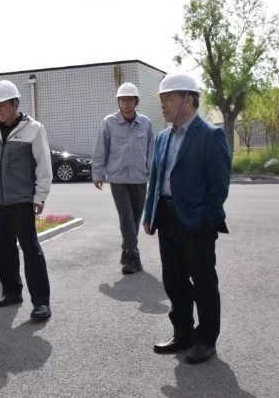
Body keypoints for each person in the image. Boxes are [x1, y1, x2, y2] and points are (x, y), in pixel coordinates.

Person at [142, 72, 231, 365]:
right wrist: (149, 213)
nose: (163, 105)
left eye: (169, 99)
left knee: (203, 281)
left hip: (196, 221)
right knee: (173, 280)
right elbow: (156, 179)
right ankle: (183, 333)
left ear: (190, 100)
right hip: (166, 217)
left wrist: (206, 219)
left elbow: (219, 185)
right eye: (162, 100)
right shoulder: (163, 137)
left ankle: (206, 340)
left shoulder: (211, 135)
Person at [0, 80, 53, 321]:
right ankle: (11, 292)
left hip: (22, 201)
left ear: (15, 104)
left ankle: (41, 302)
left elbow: (43, 166)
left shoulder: (34, 129)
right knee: (4, 249)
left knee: (30, 250)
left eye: (2, 105)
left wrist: (40, 196)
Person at [91, 82, 155, 274]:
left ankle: (127, 251)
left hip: (140, 179)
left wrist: (153, 174)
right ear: (118, 102)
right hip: (118, 179)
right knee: (126, 217)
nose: (126, 104)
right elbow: (101, 148)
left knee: (135, 218)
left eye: (129, 100)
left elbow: (151, 151)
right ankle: (134, 257)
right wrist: (97, 173)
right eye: (122, 100)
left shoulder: (146, 123)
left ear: (136, 102)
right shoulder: (109, 122)